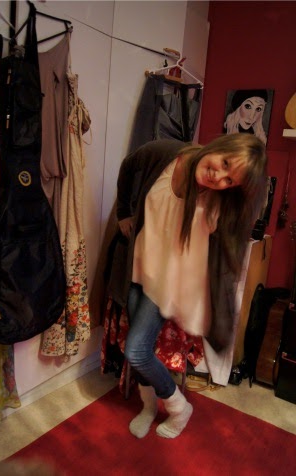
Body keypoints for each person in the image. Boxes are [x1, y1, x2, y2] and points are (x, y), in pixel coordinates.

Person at [110, 134, 267, 440]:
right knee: (138, 349)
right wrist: (124, 213)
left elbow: (224, 253)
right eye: (225, 163)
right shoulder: (164, 154)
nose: (218, 178)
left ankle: (179, 407)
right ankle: (148, 407)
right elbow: (128, 167)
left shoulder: (218, 202)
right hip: (139, 266)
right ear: (220, 146)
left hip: (166, 284)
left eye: (229, 181)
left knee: (136, 350)